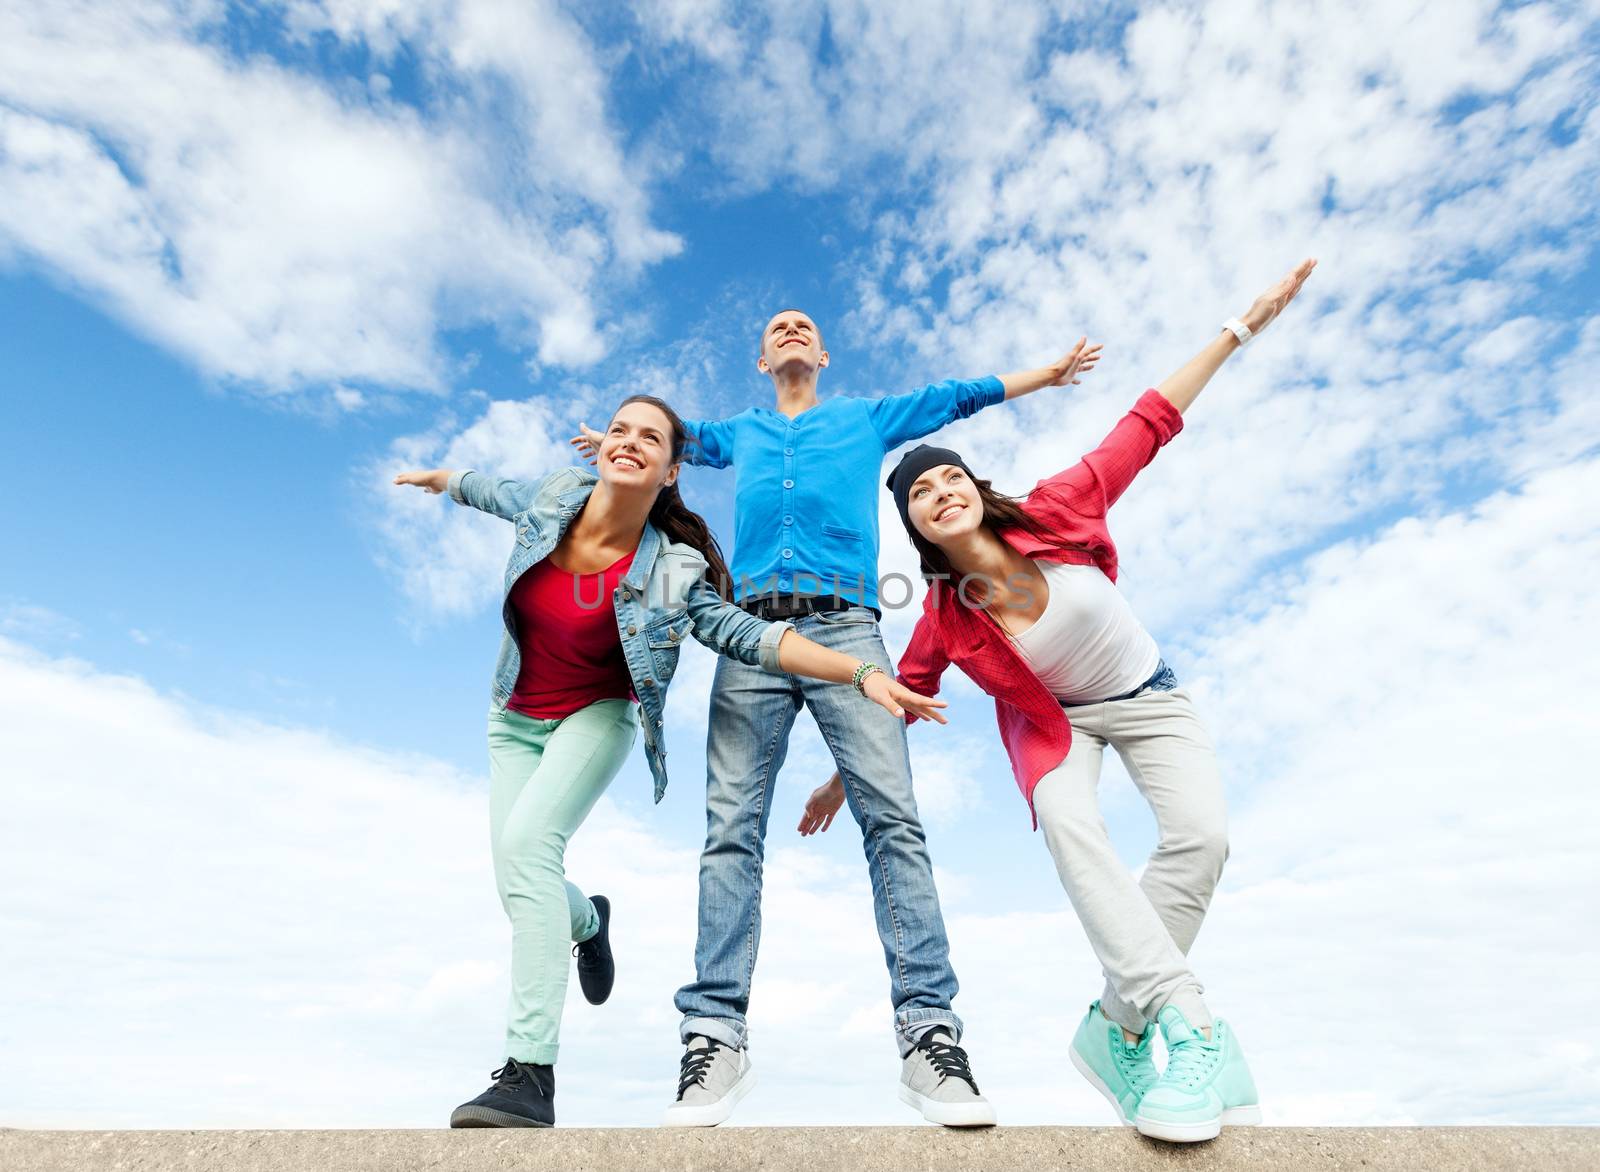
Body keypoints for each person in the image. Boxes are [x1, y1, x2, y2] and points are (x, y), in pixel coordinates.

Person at [799, 259, 1317, 1142]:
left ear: (974, 486)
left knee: (1203, 842)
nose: (938, 494)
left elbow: (1149, 422)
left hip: (1149, 698)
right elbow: (906, 695)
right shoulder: (944, 618)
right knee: (1075, 828)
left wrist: (1242, 326)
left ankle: (1115, 1024)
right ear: (917, 527)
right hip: (1057, 730)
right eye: (919, 494)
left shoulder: (1059, 507)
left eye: (947, 479)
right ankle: (1189, 1025)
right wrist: (839, 780)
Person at [573, 316, 1100, 1127]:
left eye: (805, 327)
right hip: (751, 635)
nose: (790, 328)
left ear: (821, 356)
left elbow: (957, 398)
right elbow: (665, 441)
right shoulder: (736, 433)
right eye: (776, 327)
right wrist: (619, 449)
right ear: (761, 359)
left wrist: (1047, 375)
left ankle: (929, 1035)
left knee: (894, 821)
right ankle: (714, 1035)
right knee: (729, 830)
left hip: (848, 625)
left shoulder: (865, 417)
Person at [394, 394, 946, 1130]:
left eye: (649, 437)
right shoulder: (558, 494)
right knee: (520, 880)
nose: (628, 442)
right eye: (618, 430)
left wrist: (857, 672)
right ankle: (588, 922)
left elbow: (749, 637)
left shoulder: (671, 566)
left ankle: (529, 1075)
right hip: (512, 721)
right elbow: (494, 491)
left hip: (597, 716)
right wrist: (444, 479)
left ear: (671, 469)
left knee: (529, 852)